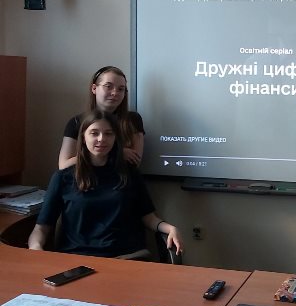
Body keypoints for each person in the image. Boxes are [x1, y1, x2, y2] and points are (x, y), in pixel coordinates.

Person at [29, 110, 182, 258]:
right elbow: (41, 229)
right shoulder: (62, 177)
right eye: (94, 133)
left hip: (127, 258)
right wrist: (35, 247)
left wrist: (170, 228)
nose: (101, 139)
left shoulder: (130, 174)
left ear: (115, 138)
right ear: (83, 137)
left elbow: (148, 218)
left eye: (108, 134)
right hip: (78, 259)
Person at [58, 66, 144, 169]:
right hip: (86, 178)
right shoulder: (76, 122)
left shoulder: (133, 120)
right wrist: (116, 153)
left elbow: (135, 162)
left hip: (121, 178)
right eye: (108, 86)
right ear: (94, 88)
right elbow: (63, 165)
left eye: (121, 89)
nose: (115, 93)